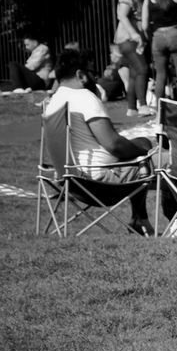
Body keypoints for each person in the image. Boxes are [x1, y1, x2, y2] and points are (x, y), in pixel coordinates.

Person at [42, 48, 153, 234]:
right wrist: (144, 147)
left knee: (140, 154)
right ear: (81, 75)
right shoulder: (83, 96)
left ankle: (139, 220)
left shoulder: (53, 102)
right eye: (93, 73)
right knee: (172, 161)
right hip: (101, 183)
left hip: (70, 182)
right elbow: (114, 145)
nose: (96, 78)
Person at [113, 0, 151, 117]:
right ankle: (142, 105)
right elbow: (121, 16)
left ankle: (131, 108)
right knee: (143, 69)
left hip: (139, 39)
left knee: (135, 74)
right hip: (128, 39)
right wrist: (134, 34)